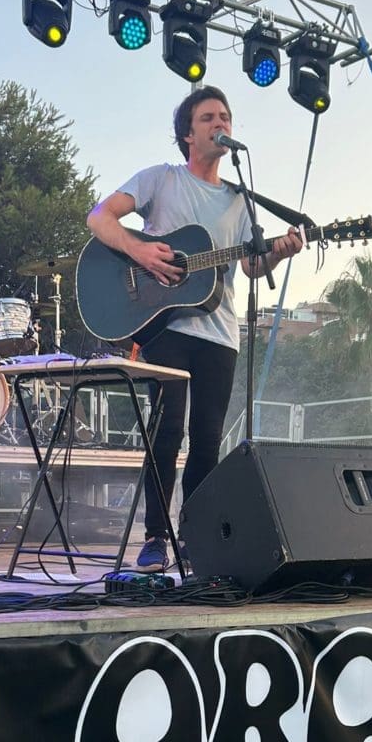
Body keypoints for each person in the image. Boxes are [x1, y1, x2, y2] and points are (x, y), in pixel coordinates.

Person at [87, 86, 303, 571]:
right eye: (208, 117)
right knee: (167, 432)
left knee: (207, 439)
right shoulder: (161, 180)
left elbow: (250, 267)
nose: (219, 123)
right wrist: (140, 251)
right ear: (188, 133)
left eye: (225, 116)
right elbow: (99, 218)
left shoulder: (240, 200)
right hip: (165, 326)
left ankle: (195, 535)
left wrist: (277, 253)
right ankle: (155, 537)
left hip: (220, 334)